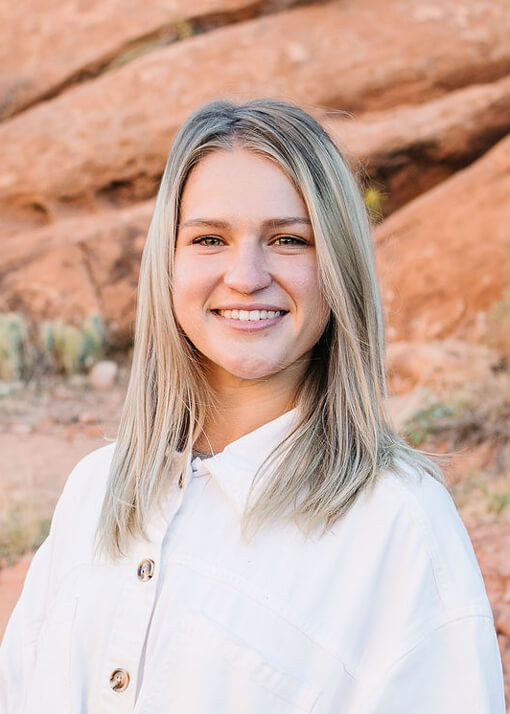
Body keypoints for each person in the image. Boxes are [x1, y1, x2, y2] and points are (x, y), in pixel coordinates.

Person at [0, 98, 504, 713]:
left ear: (338, 266)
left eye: (289, 240)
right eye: (209, 238)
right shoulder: (95, 490)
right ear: (169, 262)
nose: (245, 275)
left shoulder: (397, 526)